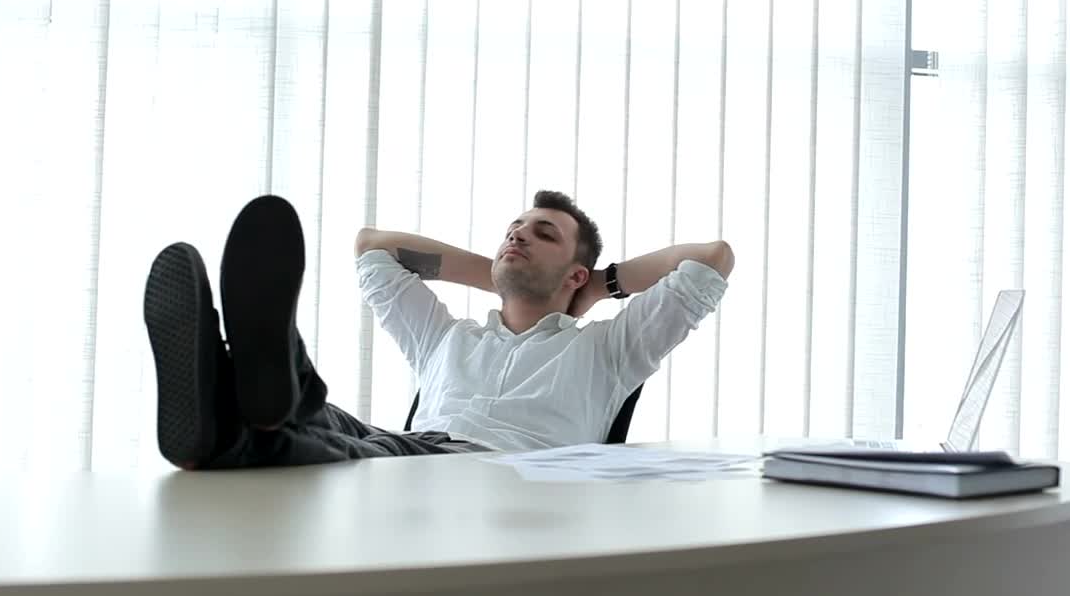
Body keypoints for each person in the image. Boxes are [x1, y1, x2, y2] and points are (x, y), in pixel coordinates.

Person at [143, 191, 733, 469]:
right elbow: (373, 248)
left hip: (475, 471)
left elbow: (712, 258)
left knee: (341, 442)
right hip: (404, 450)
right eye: (513, 228)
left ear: (575, 272)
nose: (517, 234)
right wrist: (502, 276)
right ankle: (238, 398)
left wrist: (598, 286)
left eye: (543, 234)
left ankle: (240, 396)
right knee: (328, 422)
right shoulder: (447, 338)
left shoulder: (609, 351)